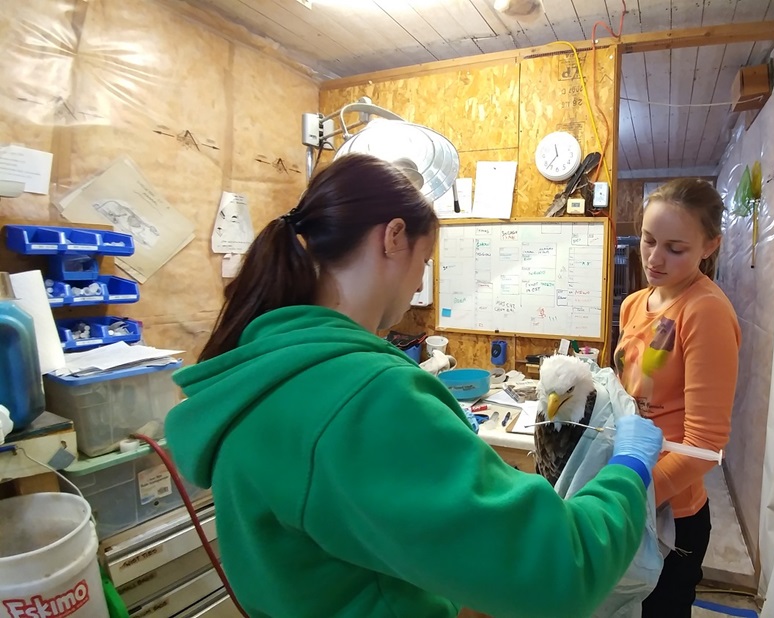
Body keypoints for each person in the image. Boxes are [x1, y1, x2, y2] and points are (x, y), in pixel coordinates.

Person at [164, 153, 666, 618]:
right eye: (425, 262)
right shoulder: (367, 394)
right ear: (393, 237)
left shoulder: (255, 370)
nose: (417, 283)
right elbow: (562, 568)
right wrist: (628, 468)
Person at [613, 178, 742, 617]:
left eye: (675, 248)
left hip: (670, 512)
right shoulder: (635, 305)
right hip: (629, 485)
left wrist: (631, 497)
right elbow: (627, 398)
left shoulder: (703, 311)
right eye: (648, 240)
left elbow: (704, 447)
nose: (653, 258)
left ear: (710, 245)